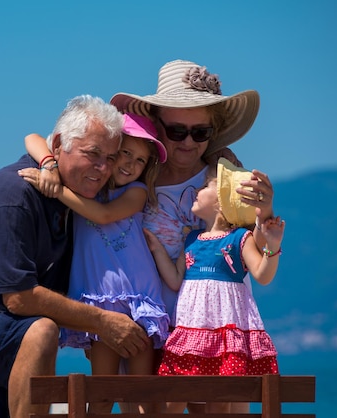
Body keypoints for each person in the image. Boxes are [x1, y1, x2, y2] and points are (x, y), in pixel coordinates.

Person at [0, 95, 151, 418]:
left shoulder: (71, 202)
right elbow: (20, 298)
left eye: (110, 157)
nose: (104, 168)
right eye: (93, 154)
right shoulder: (15, 194)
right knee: (41, 331)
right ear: (58, 145)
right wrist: (103, 322)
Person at [110, 59, 276, 414]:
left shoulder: (227, 178)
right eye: (177, 130)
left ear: (212, 132)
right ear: (156, 125)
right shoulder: (134, 173)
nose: (188, 141)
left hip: (216, 327)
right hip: (150, 321)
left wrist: (264, 213)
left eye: (199, 132)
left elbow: (253, 248)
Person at [18, 113, 170, 414]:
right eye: (125, 153)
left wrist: (58, 190)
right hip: (100, 303)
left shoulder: (136, 192)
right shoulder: (87, 186)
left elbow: (102, 216)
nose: (130, 164)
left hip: (140, 298)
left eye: (140, 160)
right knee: (101, 393)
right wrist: (49, 165)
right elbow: (31, 138)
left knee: (141, 394)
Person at [145, 158, 284, 414]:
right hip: (190, 333)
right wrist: (156, 249)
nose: (197, 190)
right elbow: (176, 279)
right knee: (174, 397)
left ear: (222, 202)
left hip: (224, 337)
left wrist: (272, 248)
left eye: (206, 186)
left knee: (220, 401)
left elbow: (262, 275)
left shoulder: (240, 238)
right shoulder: (191, 239)